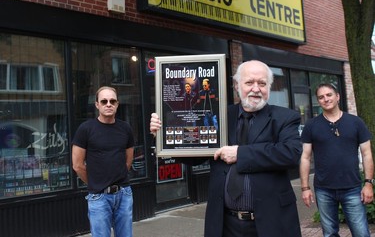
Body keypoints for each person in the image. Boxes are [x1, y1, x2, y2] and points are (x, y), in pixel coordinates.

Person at [150, 60, 302, 237]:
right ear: (237, 85)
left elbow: (290, 154)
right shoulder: (219, 116)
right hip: (225, 224)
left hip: (271, 222)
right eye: (249, 82)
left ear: (268, 86)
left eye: (262, 83)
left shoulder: (285, 117)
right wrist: (163, 137)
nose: (256, 88)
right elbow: (197, 155)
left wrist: (240, 153)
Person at [299, 83, 373, 237]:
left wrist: (368, 183)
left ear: (337, 96)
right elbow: (305, 157)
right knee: (330, 234)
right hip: (323, 189)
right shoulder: (311, 126)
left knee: (361, 233)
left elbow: (367, 154)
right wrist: (305, 188)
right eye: (321, 97)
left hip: (352, 188)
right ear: (318, 101)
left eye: (329, 95)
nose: (325, 99)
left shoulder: (356, 122)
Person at [72, 86, 134, 237]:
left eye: (112, 101)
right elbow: (77, 165)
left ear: (117, 104)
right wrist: (95, 183)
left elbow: (128, 161)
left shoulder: (125, 128)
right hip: (99, 197)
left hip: (124, 194)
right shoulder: (85, 129)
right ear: (97, 104)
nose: (108, 104)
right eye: (104, 101)